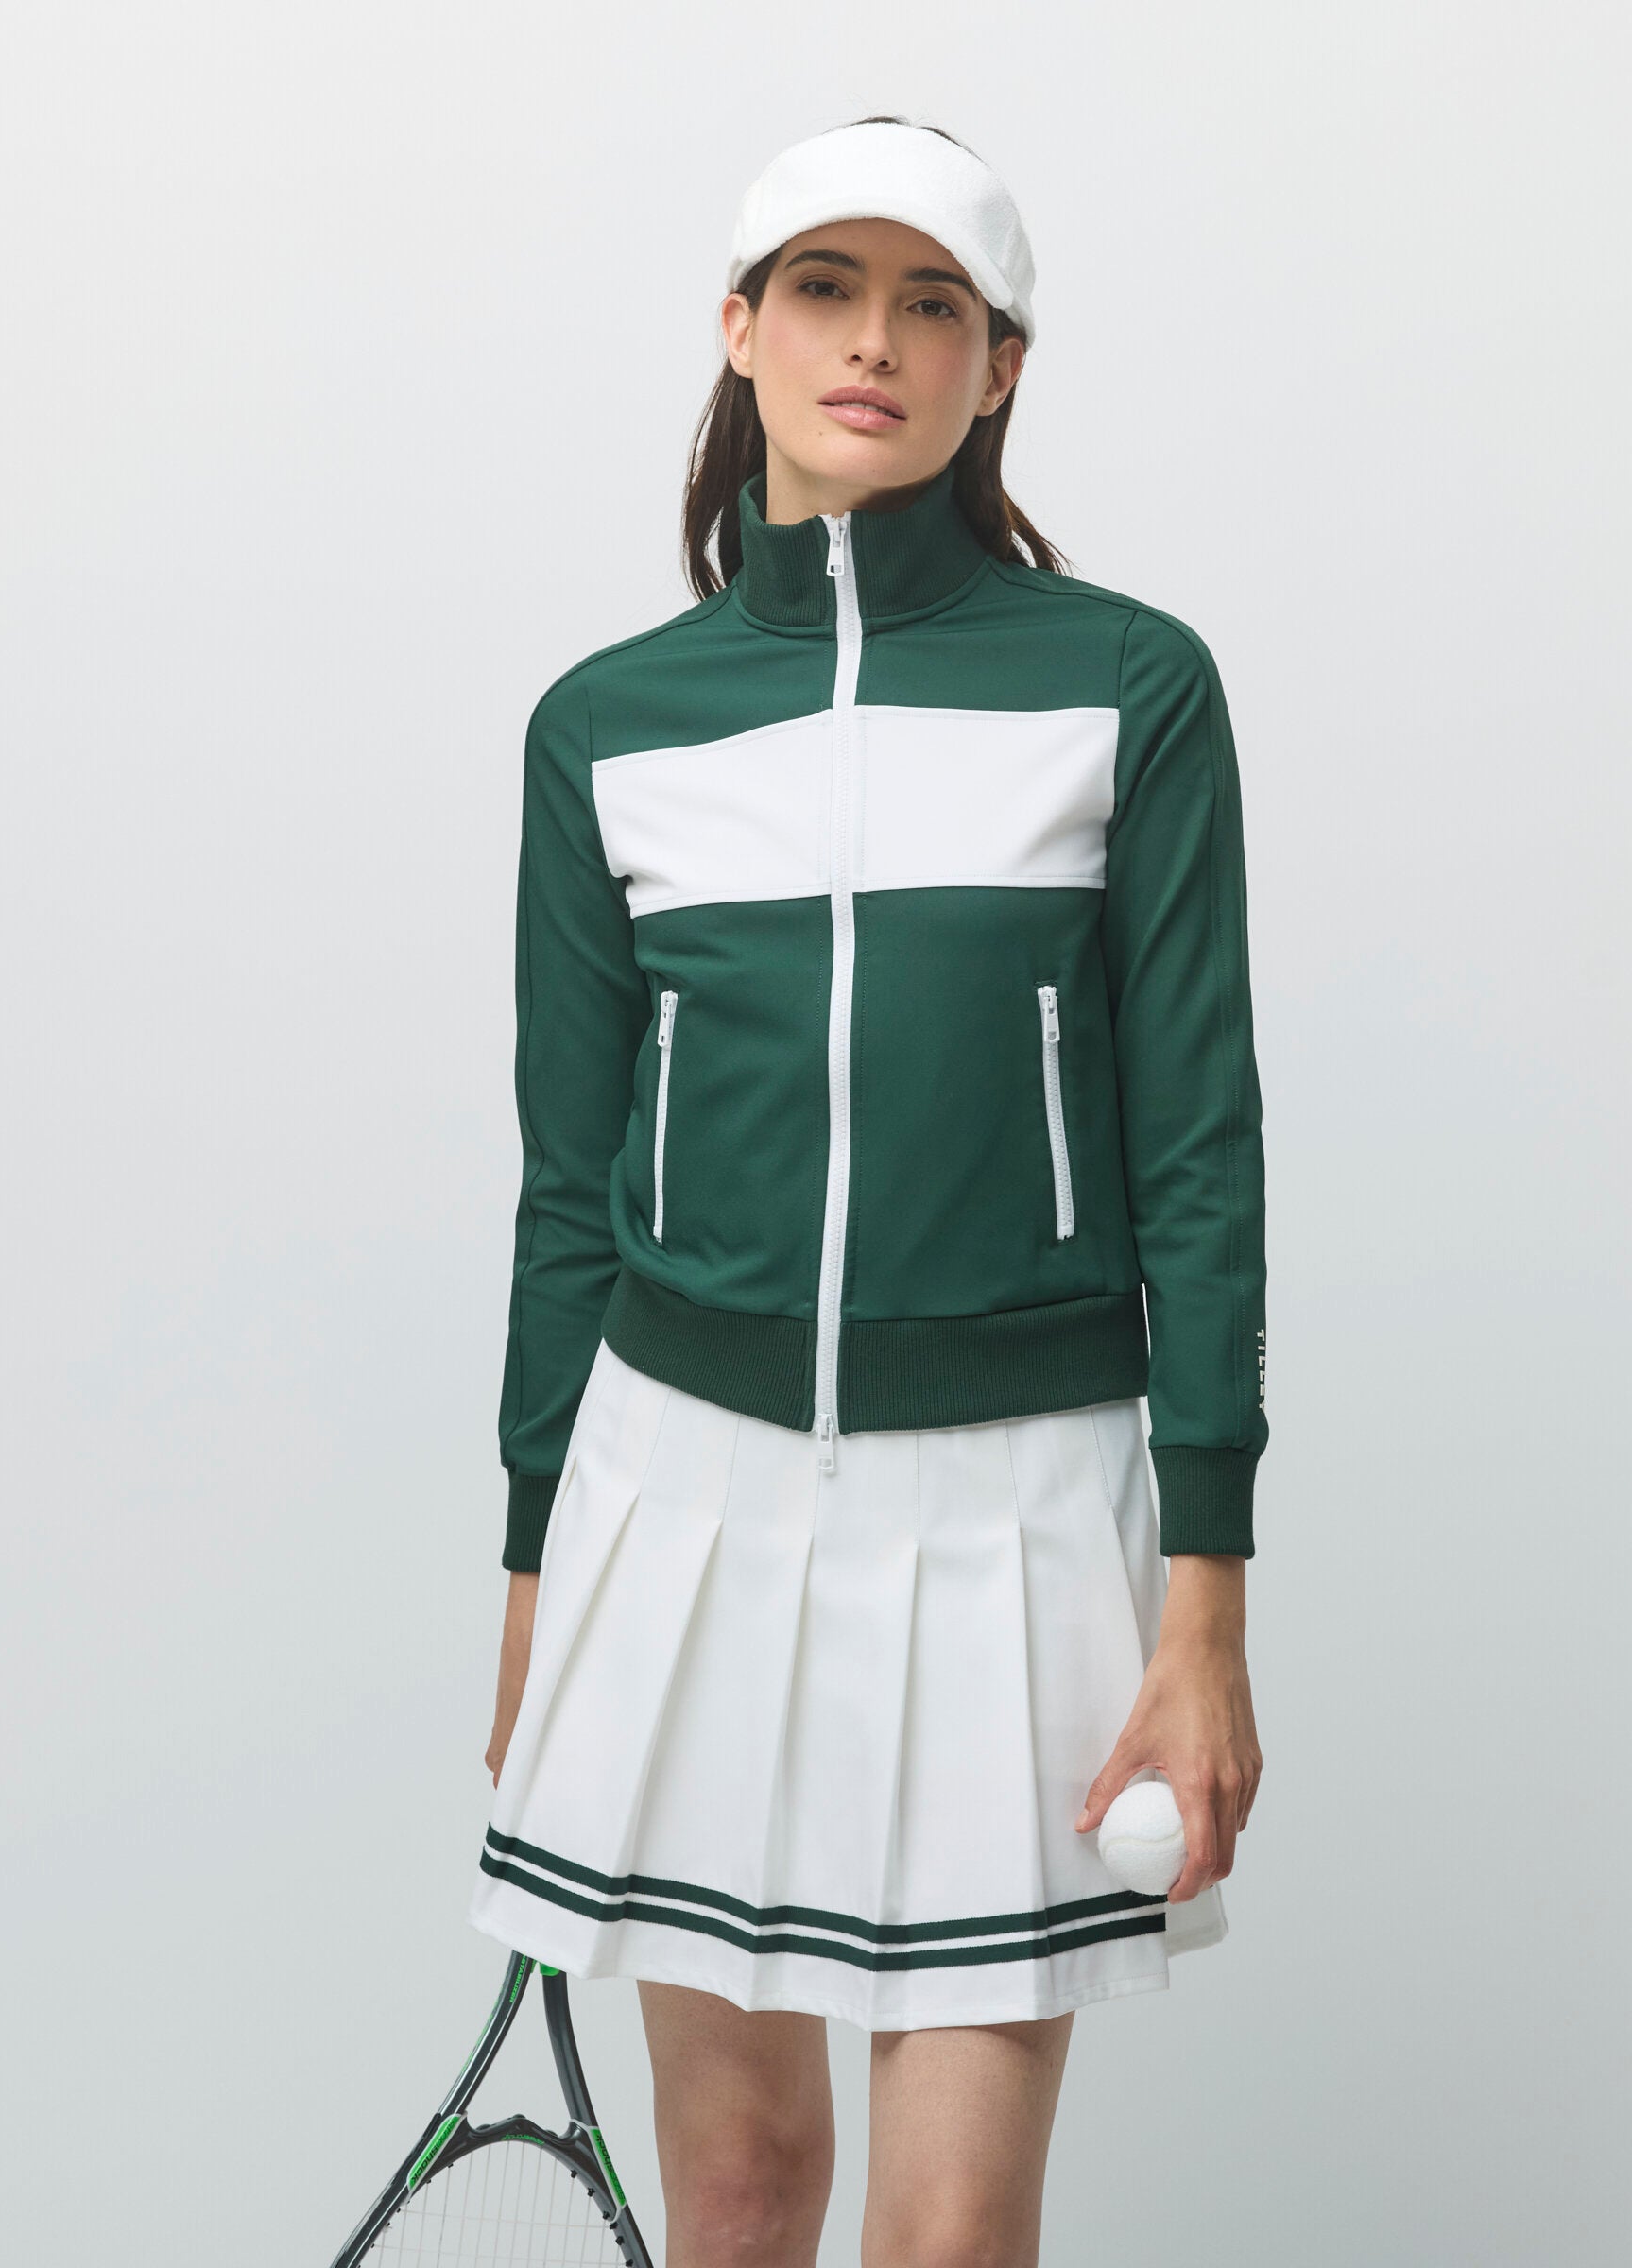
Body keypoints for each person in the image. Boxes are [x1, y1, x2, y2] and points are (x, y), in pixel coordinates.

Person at [472, 112, 1268, 2268]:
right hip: (678, 1506)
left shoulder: (1127, 687)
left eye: (935, 306)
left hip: (1021, 1514)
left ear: (999, 370)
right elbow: (569, 1197)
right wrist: (536, 1564)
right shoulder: (608, 728)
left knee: (948, 2234)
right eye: (824, 289)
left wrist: (1207, 1601)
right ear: (738, 329)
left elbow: (1201, 1159)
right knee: (738, 2194)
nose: (876, 344)